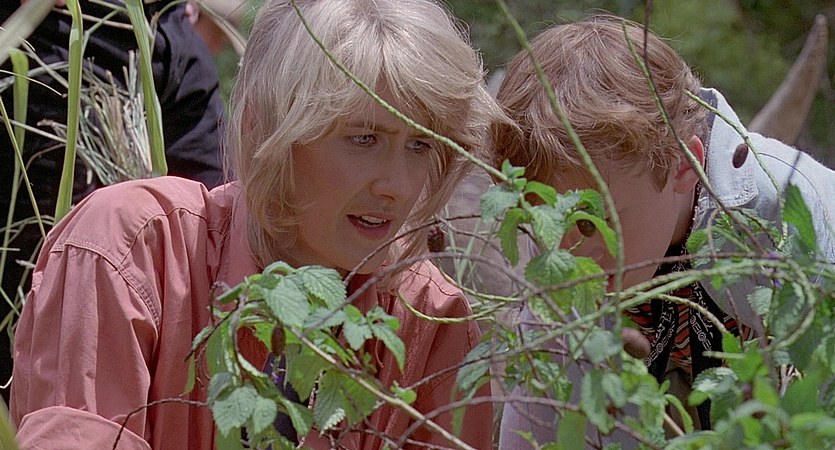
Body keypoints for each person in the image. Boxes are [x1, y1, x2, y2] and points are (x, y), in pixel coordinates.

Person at [10, 0, 504, 448]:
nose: (397, 185)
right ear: (263, 128)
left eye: (420, 145)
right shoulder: (132, 252)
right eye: (364, 139)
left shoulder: (431, 321)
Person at [491, 15, 835, 448]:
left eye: (591, 222)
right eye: (541, 226)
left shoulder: (796, 217)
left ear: (683, 164)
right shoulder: (558, 279)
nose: (570, 255)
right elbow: (537, 433)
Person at [0, 0, 226, 402]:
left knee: (215, 253)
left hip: (158, 32)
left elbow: (216, 241)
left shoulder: (174, 50)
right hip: (40, 36)